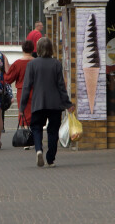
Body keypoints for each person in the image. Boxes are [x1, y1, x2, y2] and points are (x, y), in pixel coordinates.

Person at [20, 37, 75, 167]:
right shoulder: (56, 64)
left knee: (37, 128)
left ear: (38, 49)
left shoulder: (32, 64)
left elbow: (26, 86)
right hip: (55, 104)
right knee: (53, 131)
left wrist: (22, 106)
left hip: (38, 103)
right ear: (51, 49)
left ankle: (38, 149)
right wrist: (67, 104)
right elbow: (61, 86)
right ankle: (50, 159)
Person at [5, 40, 35, 150]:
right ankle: (35, 136)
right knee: (34, 112)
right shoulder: (36, 62)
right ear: (33, 49)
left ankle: (26, 138)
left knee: (24, 112)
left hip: (22, 91)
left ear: (22, 49)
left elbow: (8, 78)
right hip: (36, 90)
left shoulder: (17, 63)